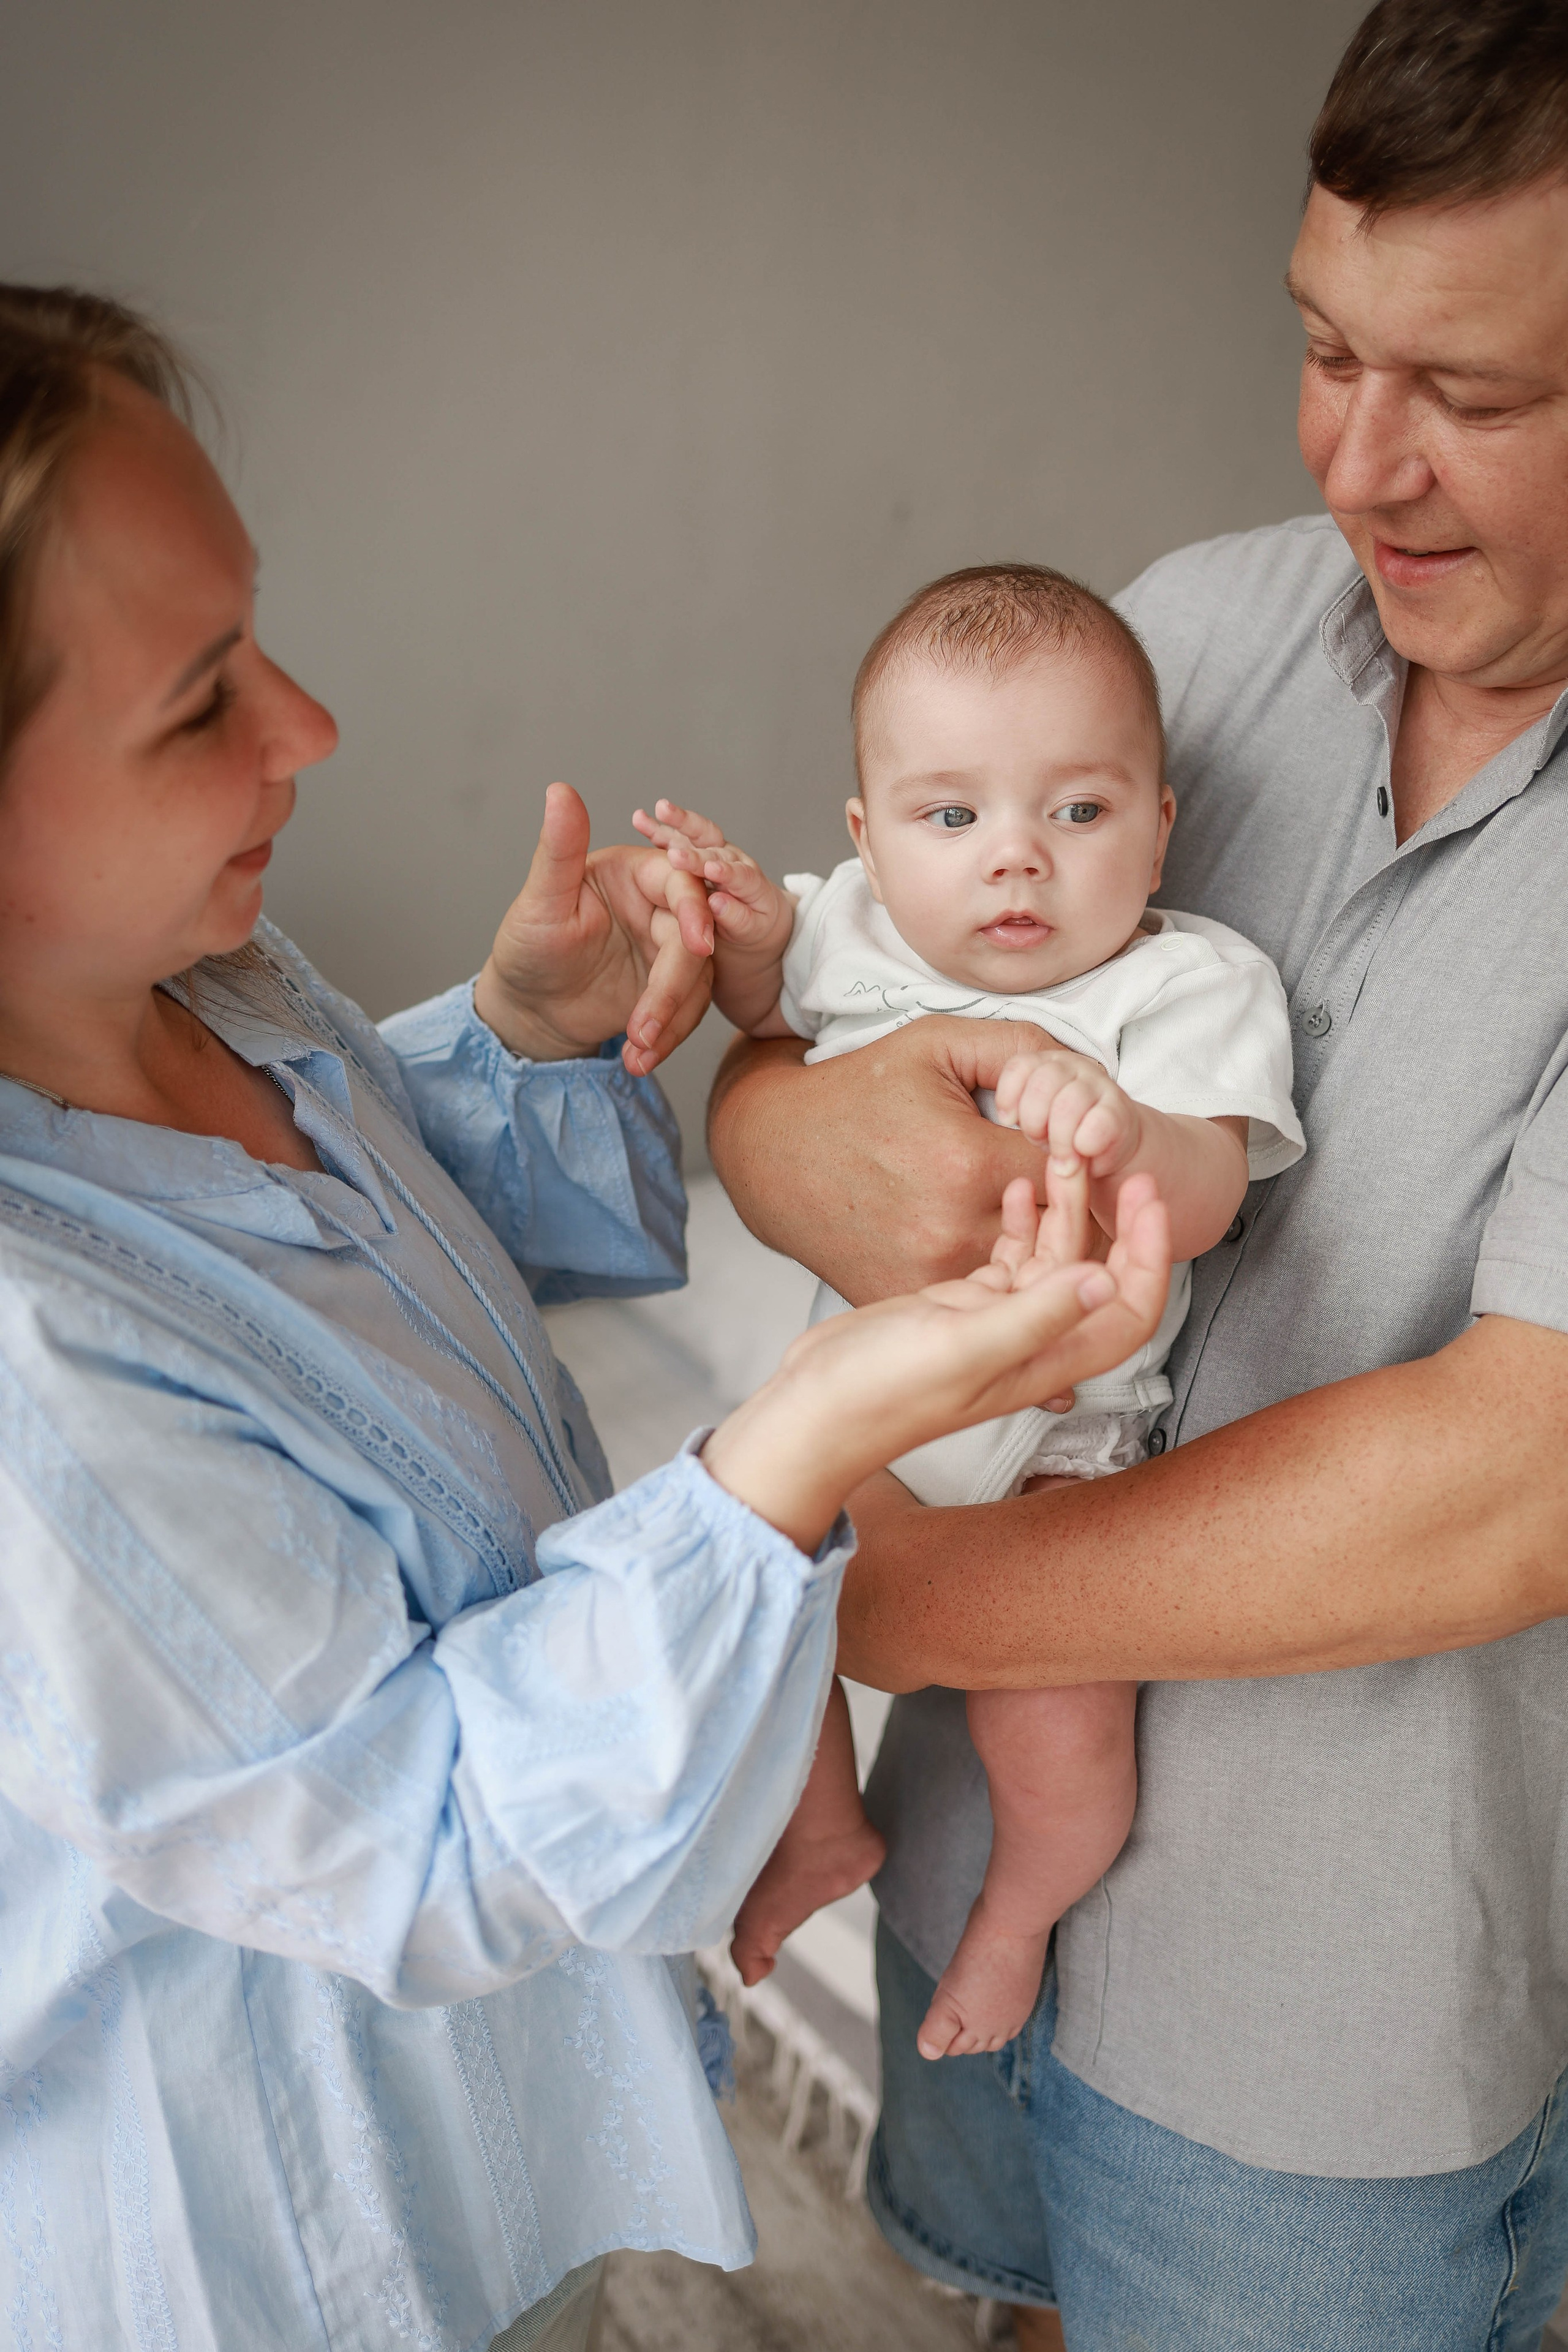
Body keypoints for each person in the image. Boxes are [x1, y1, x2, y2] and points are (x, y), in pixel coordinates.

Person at [0, 285, 1171, 2352]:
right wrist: (794, 1440)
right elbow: (414, 1833)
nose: (311, 729)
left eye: (257, 635)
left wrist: (534, 1040)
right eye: (201, 704)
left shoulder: (211, 990)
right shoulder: (33, 1359)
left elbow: (350, 1287)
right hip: (293, 2231)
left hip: (504, 2102)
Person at [706, 3, 1568, 2346]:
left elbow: (1507, 1486)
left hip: (1334, 2013)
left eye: (1474, 397)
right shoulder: (1190, 633)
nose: (1361, 468)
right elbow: (819, 1044)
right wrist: (792, 1131)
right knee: (1015, 2302)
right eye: (1322, 351)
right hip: (980, 1832)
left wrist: (811, 1591)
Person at [633, 563, 1302, 2066]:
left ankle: (1014, 1915)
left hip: (1060, 1450)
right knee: (744, 1590)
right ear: (867, 841)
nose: (1015, 863)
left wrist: (1127, 1132)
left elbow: (1211, 1189)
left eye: (1076, 813)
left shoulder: (1182, 987)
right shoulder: (856, 935)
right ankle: (820, 1830)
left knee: (1055, 1731)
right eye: (953, 818)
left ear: (1159, 827)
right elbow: (759, 1005)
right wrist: (733, 922)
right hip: (856, 1404)